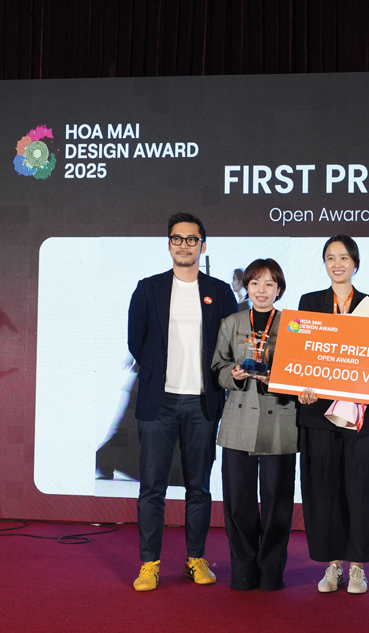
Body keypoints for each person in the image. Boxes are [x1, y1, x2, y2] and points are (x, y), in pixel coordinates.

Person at [127, 213, 238, 591]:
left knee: (199, 488)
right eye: (178, 239)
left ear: (202, 245)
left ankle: (195, 558)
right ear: (169, 244)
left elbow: (230, 346)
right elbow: (135, 341)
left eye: (192, 239)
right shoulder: (148, 288)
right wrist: (159, 372)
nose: (185, 245)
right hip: (159, 403)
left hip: (202, 403)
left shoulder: (221, 292)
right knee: (152, 489)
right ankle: (149, 563)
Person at [295, 234, 369, 594]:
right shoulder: (310, 303)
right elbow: (301, 356)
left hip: (361, 417)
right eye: (330, 257)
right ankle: (333, 564)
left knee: (360, 488)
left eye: (344, 257)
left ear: (355, 263)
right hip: (319, 414)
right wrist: (299, 385)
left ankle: (358, 566)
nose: (337, 263)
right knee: (326, 488)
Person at [211, 258, 297, 591]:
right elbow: (217, 367)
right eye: (256, 283)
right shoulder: (231, 322)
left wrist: (280, 377)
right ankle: (244, 571)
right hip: (238, 418)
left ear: (279, 289)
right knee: (238, 501)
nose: (262, 291)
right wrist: (230, 375)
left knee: (278, 501)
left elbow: (302, 372)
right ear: (246, 286)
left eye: (269, 284)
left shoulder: (292, 324)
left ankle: (272, 571)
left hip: (280, 419)